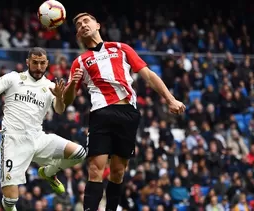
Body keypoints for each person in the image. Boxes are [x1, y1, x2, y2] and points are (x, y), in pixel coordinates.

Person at [64, 13, 186, 211]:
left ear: (97, 25)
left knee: (118, 172)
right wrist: (70, 87)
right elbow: (68, 99)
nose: (83, 25)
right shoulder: (79, 62)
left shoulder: (121, 48)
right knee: (95, 169)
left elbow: (148, 75)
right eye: (78, 25)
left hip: (127, 113)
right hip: (100, 114)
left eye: (86, 21)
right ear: (78, 35)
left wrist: (170, 99)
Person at [0, 47, 86, 211]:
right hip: (13, 140)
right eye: (35, 63)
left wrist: (60, 97)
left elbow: (60, 110)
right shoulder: (13, 78)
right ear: (27, 62)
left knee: (79, 153)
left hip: (38, 138)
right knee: (11, 200)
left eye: (42, 63)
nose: (38, 67)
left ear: (47, 64)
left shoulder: (50, 86)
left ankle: (48, 172)